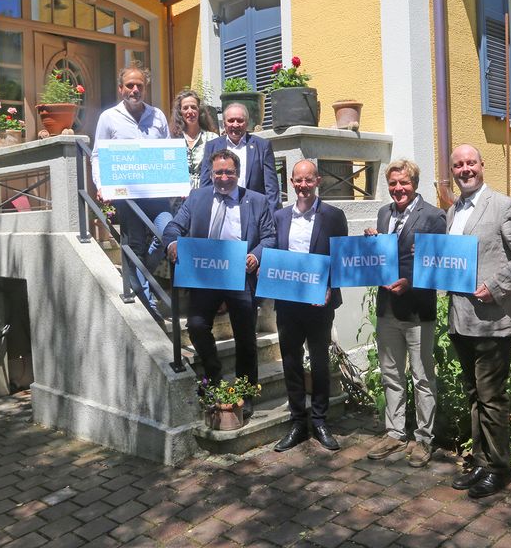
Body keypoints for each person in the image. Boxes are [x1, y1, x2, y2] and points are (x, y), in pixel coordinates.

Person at [446, 144, 511, 498]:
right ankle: (482, 461)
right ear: (453, 171)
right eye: (459, 165)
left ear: (482, 165)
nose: (465, 169)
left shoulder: (504, 206)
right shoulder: (453, 211)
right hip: (461, 320)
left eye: (471, 163)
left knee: (491, 397)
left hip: (492, 320)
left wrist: (496, 286)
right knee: (475, 395)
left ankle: (499, 469)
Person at [161, 149, 276, 420]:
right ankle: (214, 376)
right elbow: (173, 227)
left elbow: (270, 237)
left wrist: (256, 256)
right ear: (211, 174)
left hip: (240, 276)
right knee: (196, 325)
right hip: (206, 275)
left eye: (229, 172)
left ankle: (246, 392)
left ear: (238, 173)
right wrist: (173, 243)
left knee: (246, 337)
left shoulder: (256, 201)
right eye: (218, 172)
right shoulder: (197, 197)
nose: (224, 178)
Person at [363, 159, 446, 467]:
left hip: (417, 309)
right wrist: (373, 244)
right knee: (391, 374)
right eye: (393, 183)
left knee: (422, 376)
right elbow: (385, 256)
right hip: (387, 308)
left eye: (404, 183)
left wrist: (410, 282)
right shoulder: (384, 214)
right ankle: (395, 433)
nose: (398, 188)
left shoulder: (434, 216)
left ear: (415, 184)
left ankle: (424, 439)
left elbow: (437, 264)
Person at [270, 160, 348, 452]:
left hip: (319, 302)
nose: (303, 186)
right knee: (290, 361)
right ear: (291, 182)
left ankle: (320, 420)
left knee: (319, 362)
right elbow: (274, 254)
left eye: (308, 180)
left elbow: (340, 258)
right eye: (298, 180)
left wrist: (330, 287)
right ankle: (297, 423)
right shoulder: (279, 217)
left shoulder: (333, 216)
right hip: (288, 302)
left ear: (318, 181)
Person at [92, 62, 170, 316]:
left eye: (140, 85)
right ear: (120, 89)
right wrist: (101, 185)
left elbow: (167, 151)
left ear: (145, 88)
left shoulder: (157, 116)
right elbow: (97, 155)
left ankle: (141, 273)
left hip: (156, 195)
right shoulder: (109, 117)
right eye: (130, 85)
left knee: (169, 232)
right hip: (128, 197)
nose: (135, 89)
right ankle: (148, 305)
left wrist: (176, 180)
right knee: (134, 244)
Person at [146, 90, 220, 266]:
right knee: (167, 237)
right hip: (175, 200)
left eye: (193, 107)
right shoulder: (171, 138)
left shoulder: (212, 138)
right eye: (185, 108)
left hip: (203, 198)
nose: (190, 111)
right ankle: (144, 273)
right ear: (180, 112)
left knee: (197, 240)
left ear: (199, 110)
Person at [201, 103, 280, 215]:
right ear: (224, 123)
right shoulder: (212, 146)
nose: (235, 124)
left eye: (240, 120)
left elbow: (271, 187)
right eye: (231, 120)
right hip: (221, 210)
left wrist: (272, 216)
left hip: (253, 211)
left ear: (246, 123)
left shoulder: (262, 146)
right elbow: (205, 184)